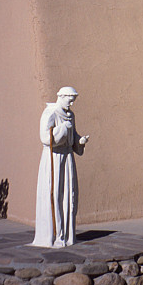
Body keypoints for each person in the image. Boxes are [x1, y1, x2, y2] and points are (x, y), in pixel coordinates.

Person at [31, 87, 89, 248]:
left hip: (67, 157)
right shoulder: (50, 113)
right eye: (69, 99)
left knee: (69, 194)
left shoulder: (70, 115)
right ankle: (55, 235)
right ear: (61, 96)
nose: (71, 103)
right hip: (54, 158)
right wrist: (63, 129)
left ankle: (67, 235)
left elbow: (73, 134)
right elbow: (44, 137)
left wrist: (79, 141)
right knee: (55, 193)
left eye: (73, 100)